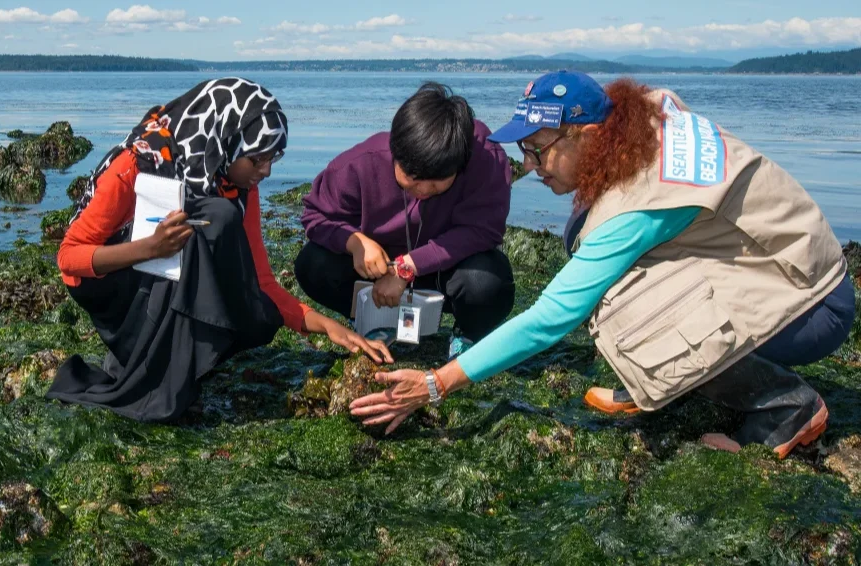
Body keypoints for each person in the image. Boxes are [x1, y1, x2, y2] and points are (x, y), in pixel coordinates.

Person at [350, 71, 855, 460]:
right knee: (586, 243)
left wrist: (437, 383)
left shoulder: (641, 202)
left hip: (807, 303)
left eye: (535, 151)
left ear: (587, 135)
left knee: (617, 308)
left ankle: (784, 408)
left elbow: (550, 318)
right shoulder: (638, 124)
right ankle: (665, 382)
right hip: (776, 261)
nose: (528, 165)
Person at [49, 78, 392, 422]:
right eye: (256, 159)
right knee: (217, 217)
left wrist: (328, 327)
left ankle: (161, 357)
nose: (265, 171)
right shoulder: (134, 165)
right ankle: (151, 370)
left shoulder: (235, 185)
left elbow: (262, 283)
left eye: (272, 159)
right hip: (106, 287)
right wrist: (149, 248)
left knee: (257, 314)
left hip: (154, 273)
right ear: (225, 139)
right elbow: (68, 258)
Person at [295, 82, 516, 361]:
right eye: (411, 179)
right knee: (312, 263)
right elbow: (314, 216)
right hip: (376, 272)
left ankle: (466, 335)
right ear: (394, 150)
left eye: (435, 184)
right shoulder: (360, 164)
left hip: (446, 270)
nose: (422, 190)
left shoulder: (486, 158)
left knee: (489, 282)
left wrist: (407, 267)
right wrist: (355, 242)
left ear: (460, 164)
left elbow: (484, 230)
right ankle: (372, 321)